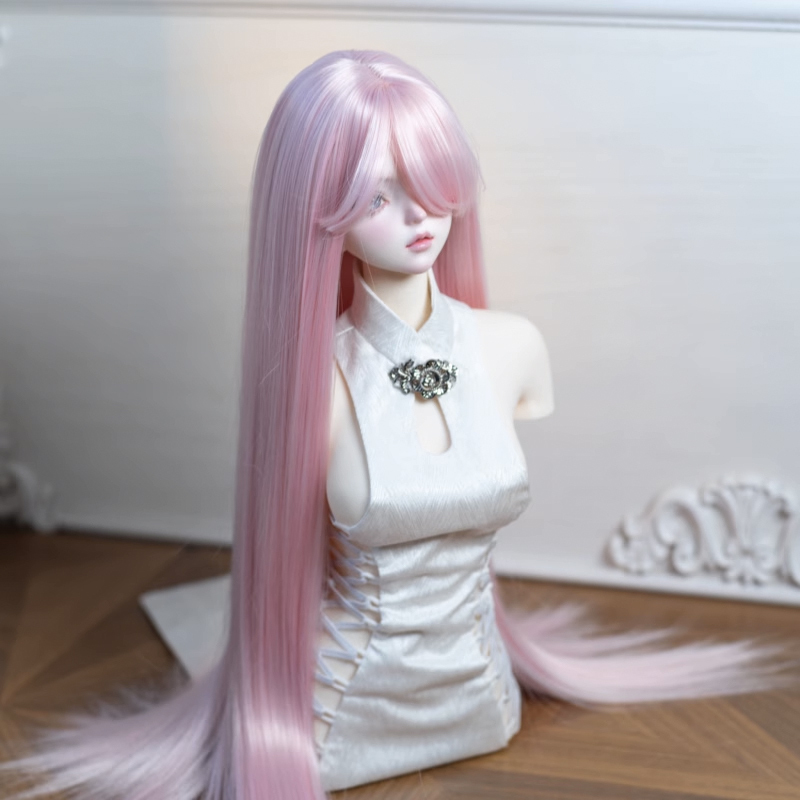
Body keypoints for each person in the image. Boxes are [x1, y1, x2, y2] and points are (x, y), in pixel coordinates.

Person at [2, 49, 788, 800]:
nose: (418, 216)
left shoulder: (512, 345)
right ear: (316, 218)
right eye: (377, 198)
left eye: (429, 182)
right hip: (337, 722)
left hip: (487, 699)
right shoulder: (310, 384)